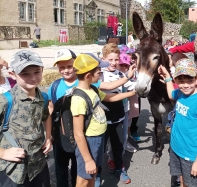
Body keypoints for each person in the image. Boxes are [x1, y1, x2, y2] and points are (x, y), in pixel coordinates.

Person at [47, 49, 137, 187]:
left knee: (91, 175)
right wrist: (88, 159)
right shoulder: (79, 98)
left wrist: (133, 93)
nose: (101, 74)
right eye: (98, 72)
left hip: (97, 138)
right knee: (83, 179)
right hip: (88, 141)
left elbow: (110, 98)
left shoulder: (93, 89)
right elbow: (78, 133)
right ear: (89, 75)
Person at [0, 50, 52, 186]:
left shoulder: (43, 97)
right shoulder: (5, 101)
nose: (33, 78)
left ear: (42, 70)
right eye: (25, 74)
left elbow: (46, 116)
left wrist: (48, 138)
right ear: (12, 74)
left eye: (36, 72)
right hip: (14, 169)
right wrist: (3, 152)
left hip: (38, 165)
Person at [158, 58, 197, 187]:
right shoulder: (181, 93)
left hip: (191, 154)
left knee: (193, 184)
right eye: (181, 81)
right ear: (176, 81)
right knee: (182, 179)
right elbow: (171, 94)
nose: (186, 85)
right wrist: (167, 78)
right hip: (176, 148)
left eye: (190, 80)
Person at [99, 43, 136, 184]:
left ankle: (120, 168)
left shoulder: (121, 74)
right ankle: (97, 173)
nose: (114, 63)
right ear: (103, 59)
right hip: (102, 119)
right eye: (110, 60)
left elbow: (131, 85)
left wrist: (144, 83)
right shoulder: (99, 75)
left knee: (118, 144)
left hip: (118, 117)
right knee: (100, 148)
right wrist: (127, 78)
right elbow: (109, 88)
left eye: (116, 60)